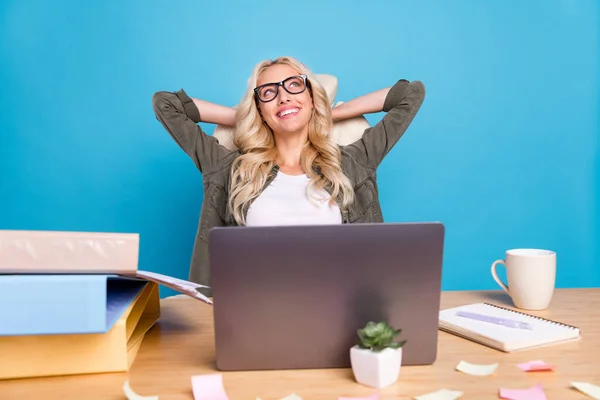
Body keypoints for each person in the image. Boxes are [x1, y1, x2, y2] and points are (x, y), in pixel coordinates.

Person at [152, 56, 425, 296]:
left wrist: (326, 112)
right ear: (259, 108)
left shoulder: (354, 162)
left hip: (340, 313)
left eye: (294, 85)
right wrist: (249, 118)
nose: (283, 97)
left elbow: (410, 94)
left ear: (311, 96)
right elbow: (166, 104)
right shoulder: (228, 168)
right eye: (268, 93)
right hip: (251, 316)